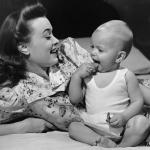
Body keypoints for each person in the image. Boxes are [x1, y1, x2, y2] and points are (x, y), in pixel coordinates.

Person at [0, 2, 149, 146]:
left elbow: (113, 73)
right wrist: (22, 126)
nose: (56, 40)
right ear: (23, 47)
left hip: (129, 105)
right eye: (47, 36)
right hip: (91, 127)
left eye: (53, 33)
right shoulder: (16, 93)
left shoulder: (69, 51)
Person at [68, 20, 150, 147]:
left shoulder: (126, 75)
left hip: (120, 127)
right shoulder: (89, 75)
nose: (93, 52)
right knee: (73, 126)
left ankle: (122, 146)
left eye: (100, 50)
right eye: (92, 47)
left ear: (119, 57)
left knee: (142, 123)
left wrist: (123, 116)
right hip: (92, 125)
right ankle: (100, 141)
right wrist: (76, 76)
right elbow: (75, 99)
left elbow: (137, 102)